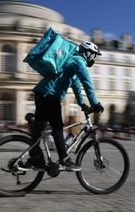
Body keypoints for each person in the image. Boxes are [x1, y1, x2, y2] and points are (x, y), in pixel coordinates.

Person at [23, 41, 104, 172]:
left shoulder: (71, 60)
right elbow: (86, 83)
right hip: (50, 95)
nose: (93, 59)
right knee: (57, 127)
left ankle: (34, 159)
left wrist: (82, 104)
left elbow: (76, 84)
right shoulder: (79, 61)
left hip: (42, 93)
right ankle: (64, 159)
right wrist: (95, 104)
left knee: (39, 127)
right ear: (88, 53)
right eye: (94, 55)